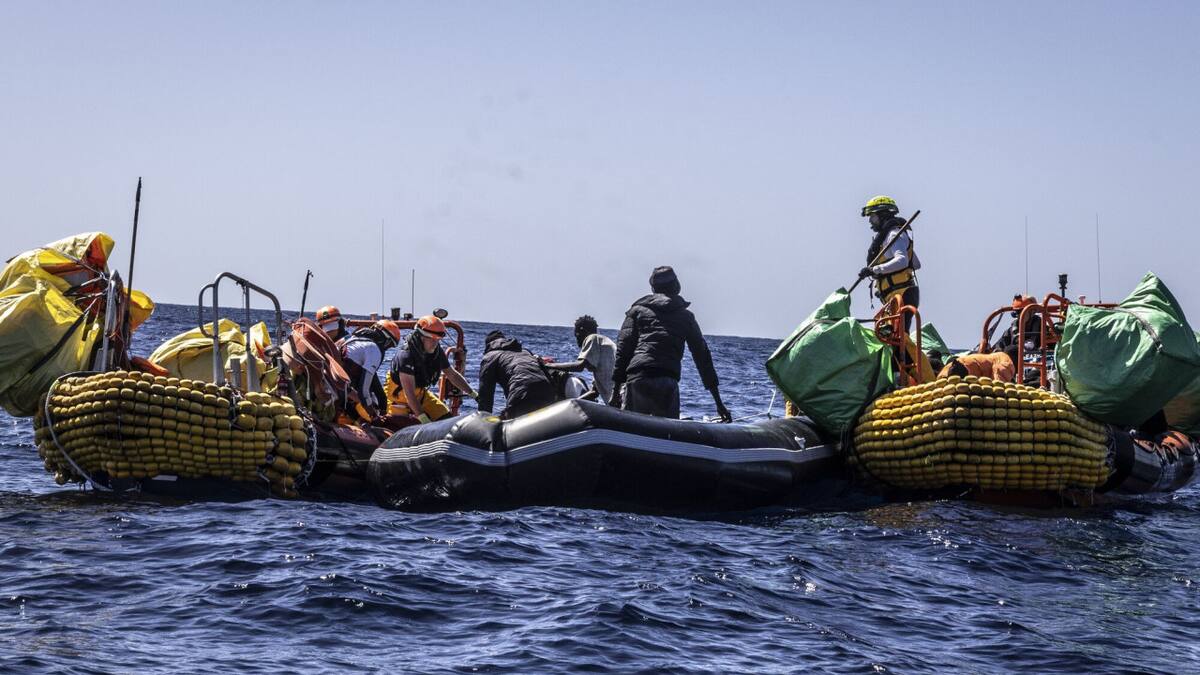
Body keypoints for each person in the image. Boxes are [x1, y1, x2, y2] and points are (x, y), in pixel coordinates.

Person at [611, 266, 731, 421]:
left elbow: (623, 351)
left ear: (653, 288)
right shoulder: (686, 317)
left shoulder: (637, 311)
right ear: (677, 286)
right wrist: (719, 403)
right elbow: (703, 358)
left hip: (638, 378)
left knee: (633, 432)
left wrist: (615, 393)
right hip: (666, 381)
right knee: (664, 436)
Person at [387, 315, 478, 424]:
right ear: (420, 336)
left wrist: (473, 394)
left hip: (421, 394)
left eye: (438, 340)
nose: (435, 343)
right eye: (431, 339)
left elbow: (452, 374)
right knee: (401, 425)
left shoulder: (436, 351)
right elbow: (409, 393)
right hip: (398, 398)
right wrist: (423, 419)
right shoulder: (406, 356)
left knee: (447, 420)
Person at [857, 196, 921, 330]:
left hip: (902, 294)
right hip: (896, 295)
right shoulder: (890, 237)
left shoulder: (894, 235)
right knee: (892, 336)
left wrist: (875, 270)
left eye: (873, 217)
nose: (870, 221)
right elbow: (915, 264)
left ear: (883, 215)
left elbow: (902, 261)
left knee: (898, 339)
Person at [477, 330, 558, 419]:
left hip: (522, 393)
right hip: (548, 390)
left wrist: (483, 420)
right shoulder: (525, 351)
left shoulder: (490, 357)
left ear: (488, 345)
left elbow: (485, 394)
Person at [543, 315, 616, 404]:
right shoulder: (603, 345)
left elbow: (579, 366)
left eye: (576, 335)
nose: (577, 340)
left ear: (582, 331)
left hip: (619, 397)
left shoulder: (592, 338)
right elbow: (594, 392)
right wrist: (570, 404)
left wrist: (548, 365)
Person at [339, 319, 402, 419]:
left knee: (380, 397)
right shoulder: (374, 350)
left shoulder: (351, 338)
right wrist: (373, 415)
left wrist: (381, 406)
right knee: (370, 402)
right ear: (386, 340)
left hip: (335, 384)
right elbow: (363, 391)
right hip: (340, 390)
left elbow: (376, 387)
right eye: (389, 345)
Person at [937, 351, 1016, 382]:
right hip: (963, 369)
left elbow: (998, 386)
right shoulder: (1007, 362)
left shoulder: (1002, 361)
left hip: (952, 368)